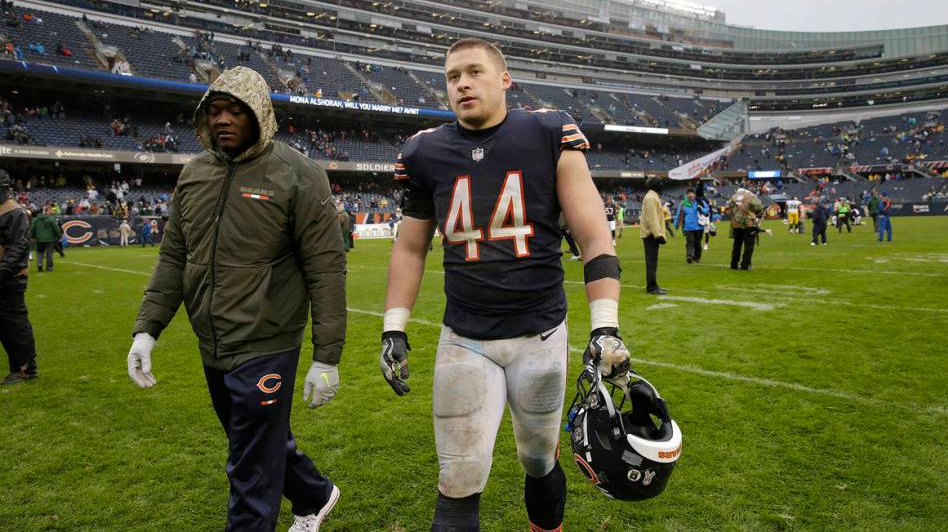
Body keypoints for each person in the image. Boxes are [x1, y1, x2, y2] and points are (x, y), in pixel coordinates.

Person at [380, 39, 629, 532]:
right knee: (459, 475)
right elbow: (410, 248)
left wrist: (605, 326)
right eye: (452, 76)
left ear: (504, 79)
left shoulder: (547, 132)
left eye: (474, 72)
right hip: (465, 337)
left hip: (539, 335)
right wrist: (393, 327)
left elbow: (594, 235)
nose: (462, 83)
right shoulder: (426, 151)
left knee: (537, 460)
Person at [125, 67, 348, 532]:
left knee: (248, 466)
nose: (223, 119)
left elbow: (325, 270)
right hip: (212, 340)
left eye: (235, 110)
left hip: (268, 342)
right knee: (257, 442)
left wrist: (326, 356)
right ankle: (315, 494)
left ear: (260, 114)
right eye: (215, 110)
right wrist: (147, 329)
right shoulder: (194, 174)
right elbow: (173, 258)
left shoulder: (299, 175)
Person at [0, 169, 37, 384]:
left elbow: (19, 247)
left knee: (14, 324)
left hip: (11, 277)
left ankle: (25, 369)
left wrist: (2, 270)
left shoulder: (15, 213)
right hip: (6, 272)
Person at [639, 177, 668, 294]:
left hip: (652, 234)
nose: (662, 185)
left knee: (653, 262)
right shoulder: (651, 197)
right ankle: (651, 286)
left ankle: (654, 284)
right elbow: (652, 218)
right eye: (660, 183)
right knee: (651, 262)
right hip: (651, 234)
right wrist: (658, 234)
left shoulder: (653, 196)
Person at [728, 187, 764, 271]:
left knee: (737, 244)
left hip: (736, 224)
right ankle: (745, 264)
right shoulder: (750, 196)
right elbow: (758, 207)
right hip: (748, 224)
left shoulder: (733, 197)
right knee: (748, 246)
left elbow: (730, 210)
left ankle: (734, 264)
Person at [674, 187, 708, 263]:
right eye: (689, 194)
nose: (690, 195)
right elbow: (678, 214)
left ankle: (697, 257)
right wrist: (676, 224)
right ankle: (689, 256)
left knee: (698, 243)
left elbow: (707, 210)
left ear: (694, 194)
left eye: (691, 193)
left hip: (699, 226)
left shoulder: (700, 201)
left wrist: (701, 210)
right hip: (688, 227)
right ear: (687, 195)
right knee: (690, 241)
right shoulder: (684, 203)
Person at [31, 205, 61, 272]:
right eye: (50, 210)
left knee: (39, 253)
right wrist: (59, 236)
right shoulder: (50, 219)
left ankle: (39, 264)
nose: (51, 212)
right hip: (50, 239)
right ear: (46, 212)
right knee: (49, 253)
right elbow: (56, 229)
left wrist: (32, 237)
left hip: (39, 239)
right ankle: (49, 267)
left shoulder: (36, 219)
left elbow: (33, 229)